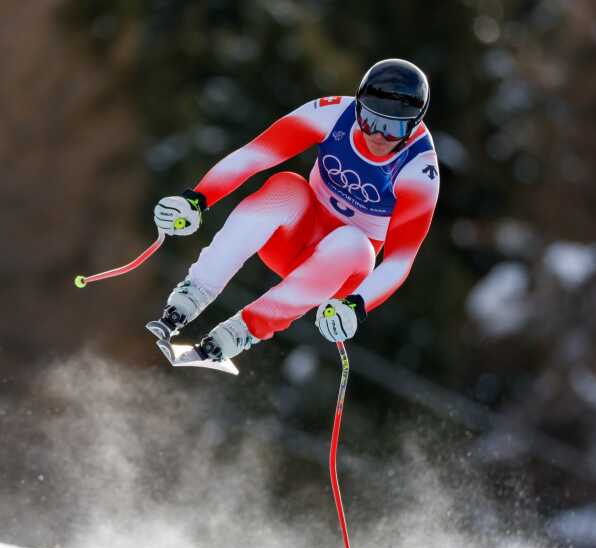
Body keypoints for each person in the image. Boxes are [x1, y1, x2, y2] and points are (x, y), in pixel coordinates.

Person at [146, 58, 440, 367]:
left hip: (338, 274)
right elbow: (255, 155)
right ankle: (193, 293)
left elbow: (400, 260)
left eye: (393, 128)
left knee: (354, 242)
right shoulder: (333, 114)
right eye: (370, 121)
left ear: (413, 125)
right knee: (286, 186)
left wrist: (356, 306)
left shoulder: (418, 170)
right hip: (292, 239)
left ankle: (242, 331)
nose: (378, 136)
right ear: (358, 108)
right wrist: (197, 199)